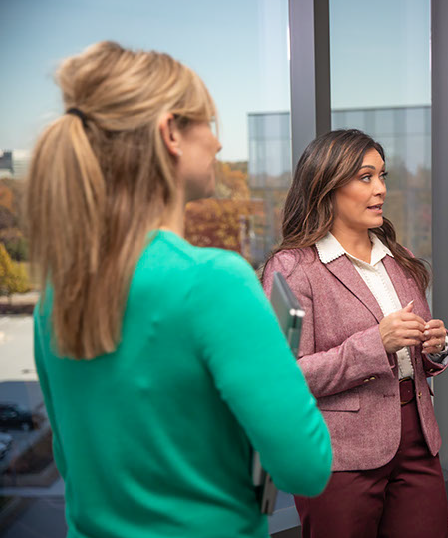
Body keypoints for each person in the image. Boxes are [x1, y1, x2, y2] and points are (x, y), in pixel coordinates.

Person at [27, 41, 332, 538]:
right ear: (171, 132)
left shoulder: (55, 295)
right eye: (208, 124)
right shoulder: (214, 281)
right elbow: (306, 467)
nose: (216, 144)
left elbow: (73, 460)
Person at [263, 129, 448, 538]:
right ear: (327, 187)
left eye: (382, 176)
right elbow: (280, 377)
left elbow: (414, 348)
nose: (380, 189)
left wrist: (437, 347)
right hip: (339, 454)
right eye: (365, 178)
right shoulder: (292, 268)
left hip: (417, 439)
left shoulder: (398, 260)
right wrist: (375, 344)